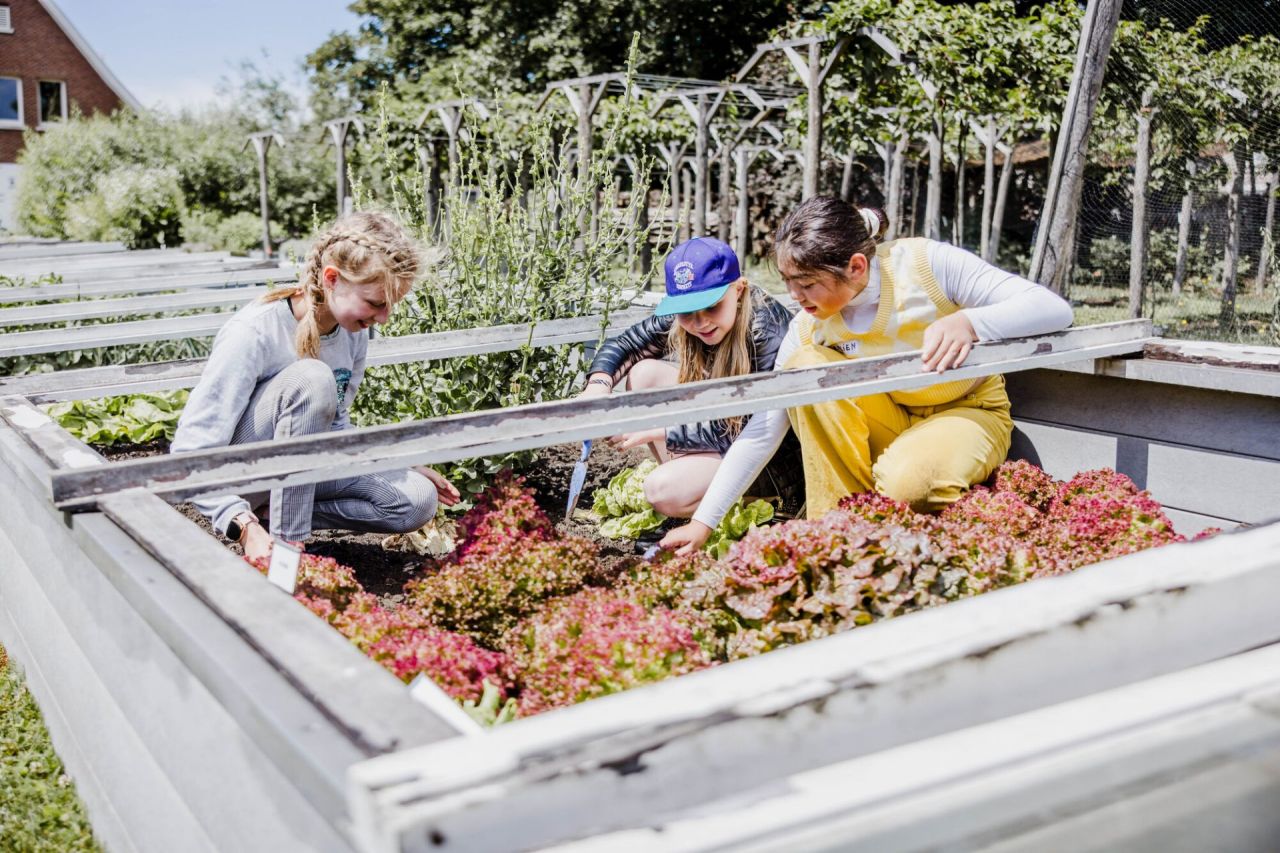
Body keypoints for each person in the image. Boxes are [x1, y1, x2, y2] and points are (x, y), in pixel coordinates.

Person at [660, 196, 1074, 553]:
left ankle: (896, 513)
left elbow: (1053, 308)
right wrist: (704, 522)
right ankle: (842, 531)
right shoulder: (808, 325)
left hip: (966, 409)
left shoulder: (926, 265)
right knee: (805, 368)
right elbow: (765, 427)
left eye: (807, 284)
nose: (795, 296)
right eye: (788, 282)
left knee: (909, 486)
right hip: (890, 418)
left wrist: (970, 323)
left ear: (857, 267)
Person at [171, 211, 460, 562]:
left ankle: (273, 520)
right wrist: (242, 526)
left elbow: (335, 429)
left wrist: (392, 464)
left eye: (390, 306)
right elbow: (190, 451)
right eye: (376, 303)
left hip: (297, 476)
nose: (383, 318)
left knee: (416, 499)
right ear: (332, 278)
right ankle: (285, 551)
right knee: (312, 378)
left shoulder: (352, 333)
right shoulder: (255, 331)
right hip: (239, 481)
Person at [581, 236, 802, 518]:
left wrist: (654, 428)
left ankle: (757, 505)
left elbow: (750, 426)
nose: (700, 322)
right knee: (644, 374)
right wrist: (598, 386)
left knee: (661, 491)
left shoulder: (766, 333)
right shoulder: (688, 319)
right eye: (686, 311)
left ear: (738, 289)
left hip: (769, 462)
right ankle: (690, 488)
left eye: (712, 306)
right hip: (721, 433)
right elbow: (627, 344)